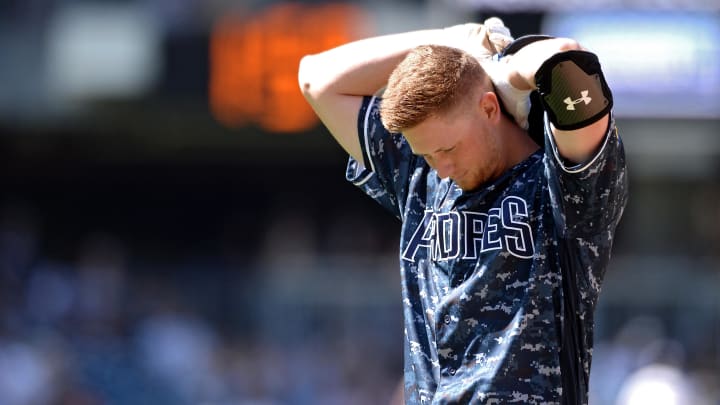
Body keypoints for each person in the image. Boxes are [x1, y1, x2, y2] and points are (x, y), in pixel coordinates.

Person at [298, 17, 628, 405]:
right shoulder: (422, 176)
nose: (442, 167)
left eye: (449, 150)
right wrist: (448, 43)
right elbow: (315, 79)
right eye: (427, 154)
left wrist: (504, 71)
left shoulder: (562, 183)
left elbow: (567, 63)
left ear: (489, 108)